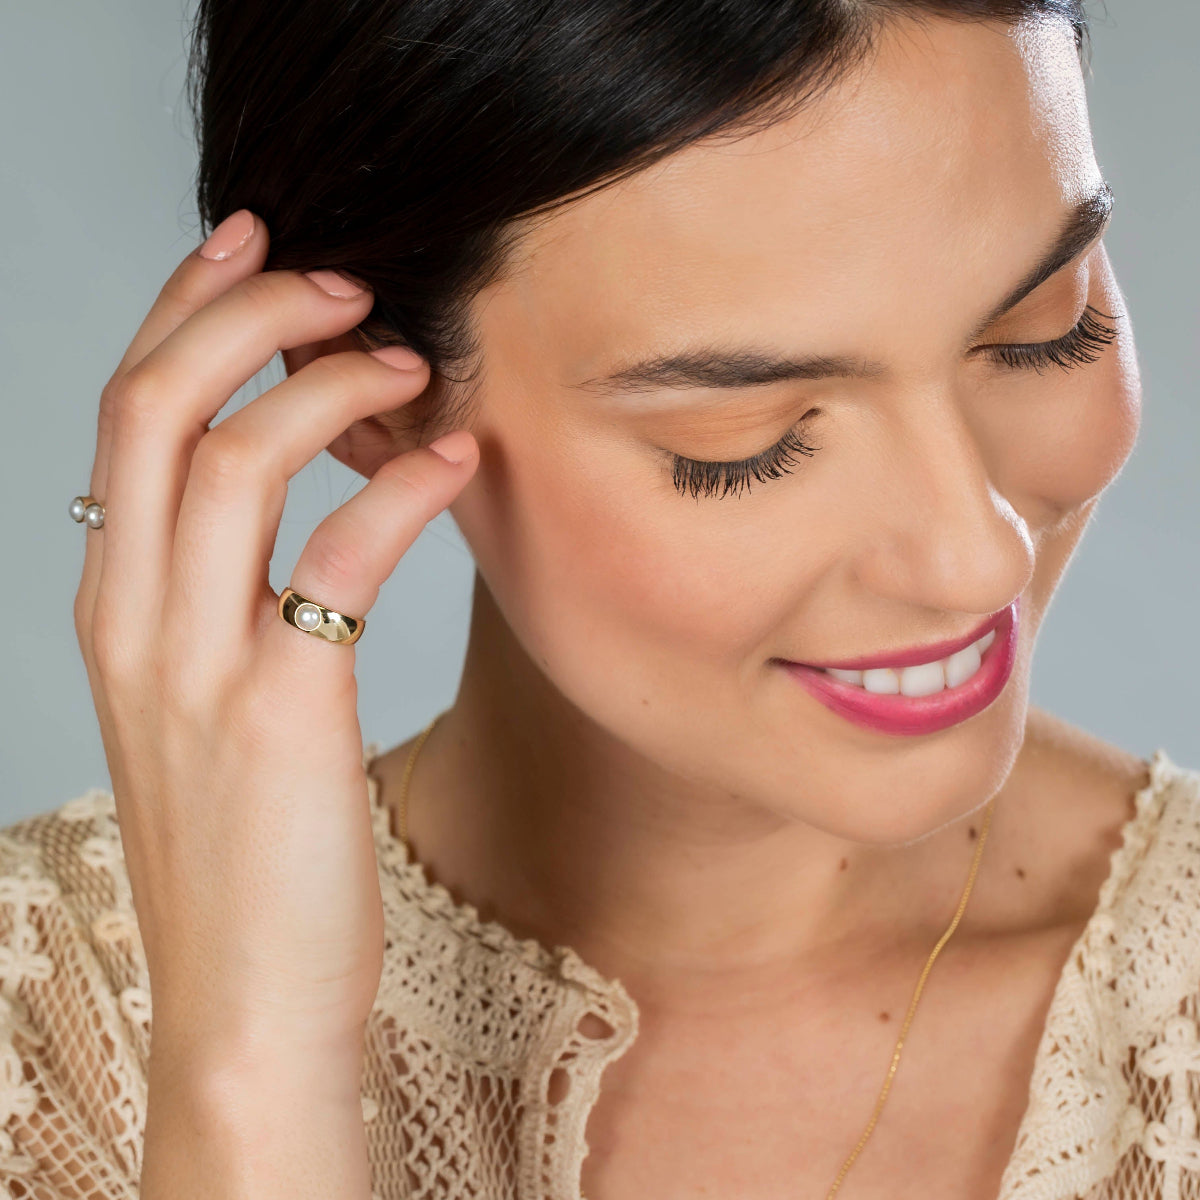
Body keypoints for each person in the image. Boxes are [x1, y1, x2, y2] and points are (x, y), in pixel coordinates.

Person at [1, 1, 1196, 1197]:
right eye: (749, 443)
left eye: (1050, 329)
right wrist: (248, 1073)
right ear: (369, 397)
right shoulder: (41, 1034)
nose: (973, 558)